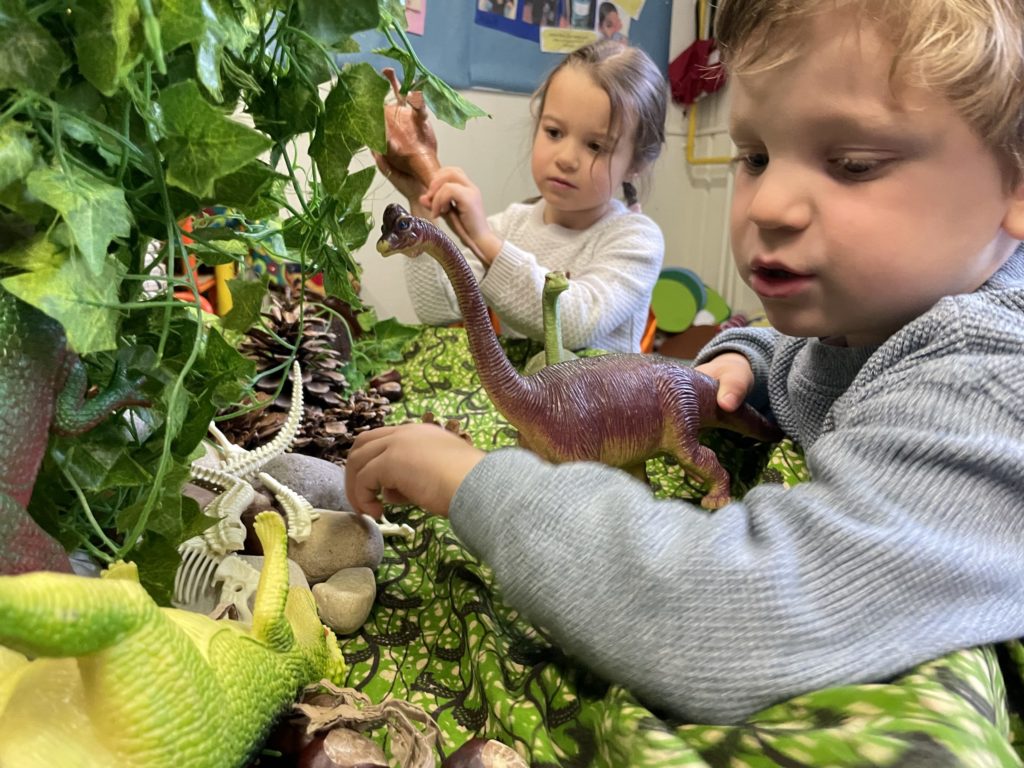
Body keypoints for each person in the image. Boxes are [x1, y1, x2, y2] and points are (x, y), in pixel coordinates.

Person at [347, 0, 1024, 726]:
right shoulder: (873, 314)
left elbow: (730, 615)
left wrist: (473, 483)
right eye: (756, 157)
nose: (770, 204)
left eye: (852, 164)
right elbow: (801, 355)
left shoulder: (986, 381)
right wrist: (743, 357)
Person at [376, 40, 667, 354]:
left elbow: (573, 326)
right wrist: (421, 206)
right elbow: (439, 308)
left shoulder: (637, 240)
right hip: (522, 399)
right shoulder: (509, 225)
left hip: (606, 403)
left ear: (637, 162)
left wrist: (485, 242)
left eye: (595, 146)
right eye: (554, 132)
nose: (566, 158)